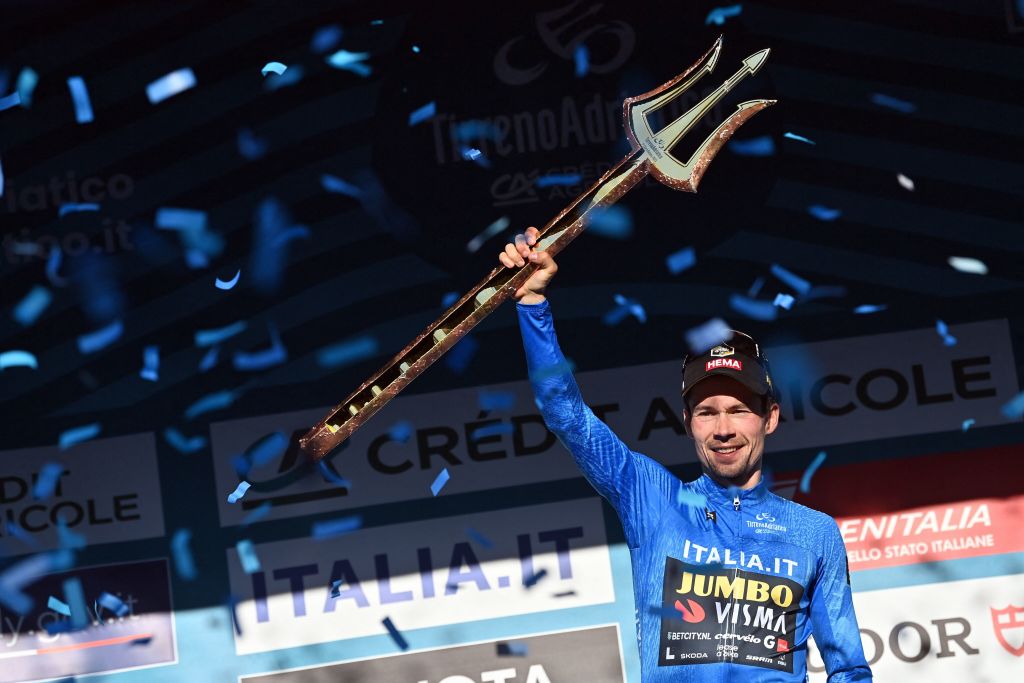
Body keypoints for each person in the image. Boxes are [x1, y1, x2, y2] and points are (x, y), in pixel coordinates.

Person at [499, 227, 872, 682]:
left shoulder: (815, 533)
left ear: (769, 417)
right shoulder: (652, 497)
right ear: (687, 421)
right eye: (707, 412)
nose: (723, 429)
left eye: (738, 410)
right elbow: (565, 415)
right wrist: (532, 304)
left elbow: (849, 670)